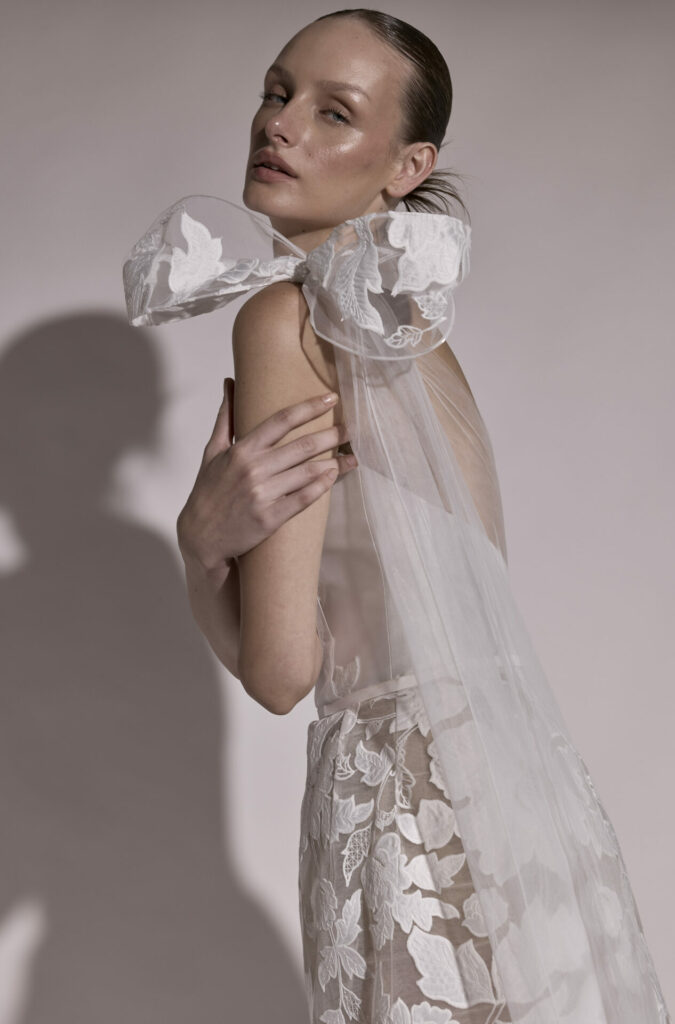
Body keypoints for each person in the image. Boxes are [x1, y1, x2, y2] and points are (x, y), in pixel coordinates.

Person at [124, 9, 671, 1024]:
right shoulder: (411, 336)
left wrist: (200, 551)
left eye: (334, 112)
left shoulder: (285, 316)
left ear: (406, 166)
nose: (280, 125)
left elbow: (283, 670)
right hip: (515, 794)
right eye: (277, 90)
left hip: (399, 801)